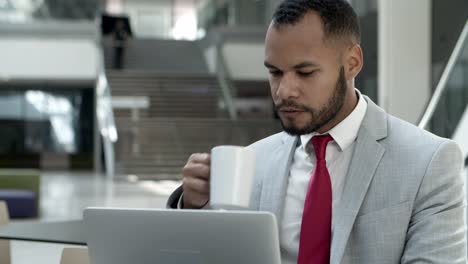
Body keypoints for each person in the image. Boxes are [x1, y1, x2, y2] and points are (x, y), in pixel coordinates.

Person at [167, 0, 467, 263]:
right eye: (274, 72)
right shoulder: (254, 160)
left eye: (305, 73)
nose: (284, 90)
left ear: (352, 63)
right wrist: (193, 207)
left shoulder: (429, 162)